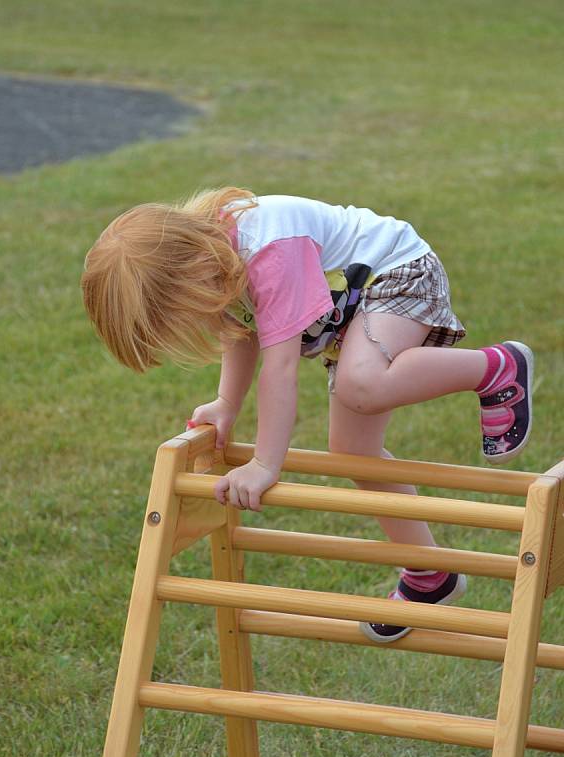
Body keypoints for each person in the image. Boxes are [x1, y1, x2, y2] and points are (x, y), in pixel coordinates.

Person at [81, 188, 533, 642]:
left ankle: (496, 368)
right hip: (354, 309)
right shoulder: (217, 258)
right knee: (354, 452)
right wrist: (226, 404)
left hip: (398, 273)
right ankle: (429, 573)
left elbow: (280, 369)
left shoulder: (269, 251)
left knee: (362, 385)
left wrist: (264, 463)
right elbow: (243, 332)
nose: (192, 322)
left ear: (189, 269)